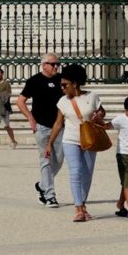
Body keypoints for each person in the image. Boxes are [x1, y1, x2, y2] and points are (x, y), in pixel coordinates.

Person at [45, 64, 103, 222]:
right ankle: (78, 208)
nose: (62, 88)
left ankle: (83, 205)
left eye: (65, 85)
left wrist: (99, 116)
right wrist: (49, 143)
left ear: (75, 84)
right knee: (75, 171)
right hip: (70, 139)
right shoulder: (62, 101)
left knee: (87, 174)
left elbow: (101, 112)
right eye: (61, 85)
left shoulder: (92, 96)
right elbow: (58, 124)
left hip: (90, 139)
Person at [16, 53, 64, 207]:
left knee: (59, 160)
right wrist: (30, 118)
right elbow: (20, 101)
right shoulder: (34, 81)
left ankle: (42, 185)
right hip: (42, 126)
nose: (56, 66)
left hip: (59, 126)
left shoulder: (61, 80)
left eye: (57, 64)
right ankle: (50, 195)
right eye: (53, 64)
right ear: (44, 65)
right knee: (46, 160)